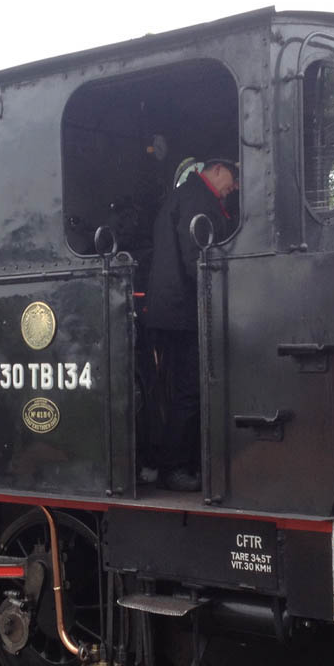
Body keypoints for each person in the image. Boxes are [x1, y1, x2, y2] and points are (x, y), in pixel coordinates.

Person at [144, 158, 239, 491]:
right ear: (215, 169)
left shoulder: (185, 195)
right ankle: (175, 468)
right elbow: (196, 258)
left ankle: (168, 460)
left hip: (173, 310)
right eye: (233, 175)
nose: (235, 185)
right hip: (186, 310)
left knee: (177, 390)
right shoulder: (198, 199)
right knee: (190, 390)